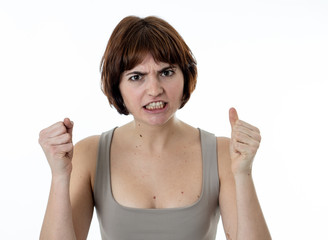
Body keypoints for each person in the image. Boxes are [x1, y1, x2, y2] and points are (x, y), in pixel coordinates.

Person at [39, 16, 271, 240]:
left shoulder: (221, 153)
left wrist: (243, 173)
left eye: (166, 72)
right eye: (136, 76)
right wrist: (59, 176)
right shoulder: (90, 154)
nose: (154, 89)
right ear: (117, 86)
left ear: (185, 76)